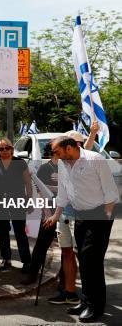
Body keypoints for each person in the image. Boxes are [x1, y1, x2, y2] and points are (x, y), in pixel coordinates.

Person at [44, 136, 119, 322]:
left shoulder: (95, 159)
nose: (56, 156)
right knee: (84, 259)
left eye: (57, 152)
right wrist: (55, 215)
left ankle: (96, 307)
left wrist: (105, 217)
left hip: (99, 214)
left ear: (69, 148)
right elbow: (63, 192)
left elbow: (111, 192)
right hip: (80, 215)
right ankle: (85, 302)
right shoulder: (63, 164)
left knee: (92, 260)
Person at [19, 142, 80, 304]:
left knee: (66, 249)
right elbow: (41, 191)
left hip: (66, 212)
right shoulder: (46, 168)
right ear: (54, 153)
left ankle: (64, 280)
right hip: (49, 212)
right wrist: (46, 212)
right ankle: (33, 273)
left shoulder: (68, 166)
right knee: (42, 244)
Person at [0, 138, 33, 272]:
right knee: (2, 231)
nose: (5, 151)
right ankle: (6, 259)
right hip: (0, 203)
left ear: (12, 149)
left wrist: (29, 200)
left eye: (7, 148)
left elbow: (27, 182)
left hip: (18, 201)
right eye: (1, 149)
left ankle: (26, 261)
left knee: (20, 232)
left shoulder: (20, 163)